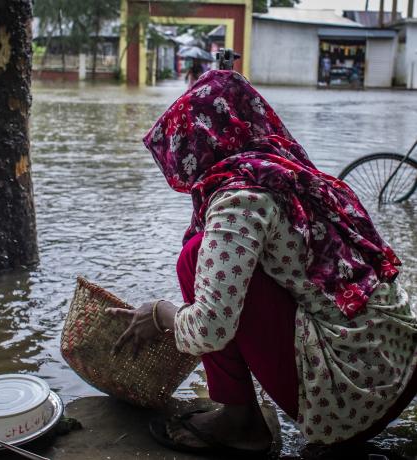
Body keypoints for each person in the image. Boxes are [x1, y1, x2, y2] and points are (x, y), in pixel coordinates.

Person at [108, 70, 417, 456]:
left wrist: (159, 313)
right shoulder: (279, 168)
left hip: (357, 396)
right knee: (218, 266)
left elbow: (210, 330)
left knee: (194, 257)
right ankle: (240, 413)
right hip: (399, 360)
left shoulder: (239, 198)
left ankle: (240, 424)